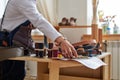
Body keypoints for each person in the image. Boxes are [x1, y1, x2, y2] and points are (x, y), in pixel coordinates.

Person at [0, 0, 78, 80]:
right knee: (12, 76)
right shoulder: (23, 1)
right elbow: (39, 21)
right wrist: (61, 40)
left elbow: (15, 21)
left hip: (13, 42)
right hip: (8, 42)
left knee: (18, 74)